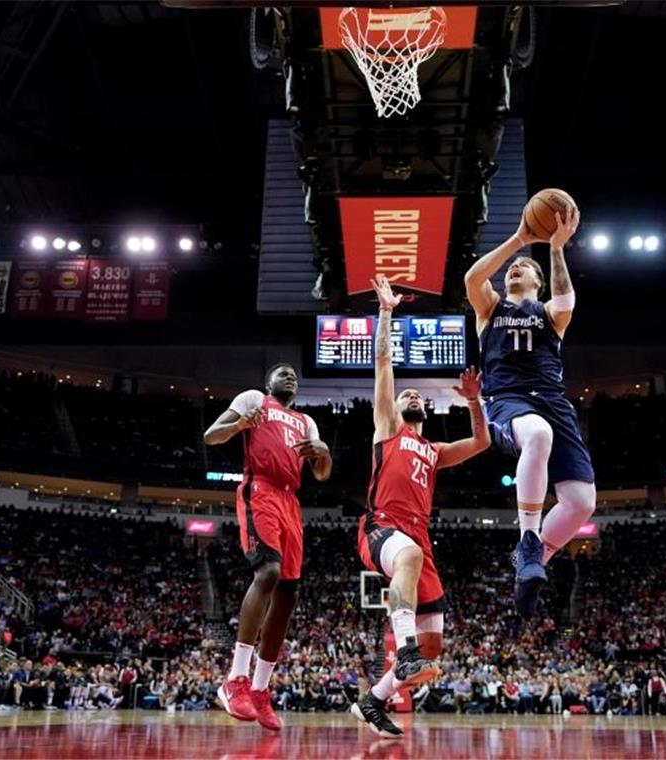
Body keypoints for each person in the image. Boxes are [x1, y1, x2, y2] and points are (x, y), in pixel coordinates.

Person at [351, 274, 491, 738]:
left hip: (419, 540)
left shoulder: (433, 450)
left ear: (427, 412)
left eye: (417, 396)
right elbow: (384, 366)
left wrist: (475, 401)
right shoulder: (388, 428)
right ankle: (404, 647)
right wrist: (387, 312)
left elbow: (482, 442)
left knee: (432, 651)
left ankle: (372, 701)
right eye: (407, 394)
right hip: (381, 529)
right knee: (408, 565)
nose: (411, 395)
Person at [463, 205, 597, 615]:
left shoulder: (550, 315)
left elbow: (566, 298)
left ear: (538, 280)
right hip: (508, 399)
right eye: (512, 268)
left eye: (524, 267)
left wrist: (556, 249)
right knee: (537, 435)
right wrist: (521, 239)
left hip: (553, 400)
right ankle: (527, 540)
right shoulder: (490, 309)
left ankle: (533, 562)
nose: (516, 268)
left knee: (580, 502)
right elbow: (472, 278)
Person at [204, 363, 333, 731]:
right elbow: (211, 436)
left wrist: (323, 451)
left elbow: (322, 473)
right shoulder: (254, 399)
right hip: (260, 490)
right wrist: (241, 424)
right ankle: (235, 679)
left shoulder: (307, 421)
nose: (290, 376)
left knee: (289, 593)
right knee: (269, 572)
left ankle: (261, 690)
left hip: (291, 502)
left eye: (294, 374)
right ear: (268, 382)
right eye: (282, 372)